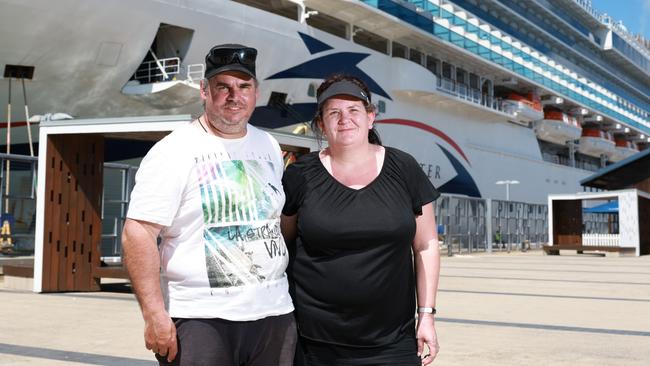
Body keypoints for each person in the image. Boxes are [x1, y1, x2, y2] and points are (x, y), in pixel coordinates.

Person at [122, 44, 296, 365]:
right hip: (200, 318)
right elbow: (138, 233)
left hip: (273, 314)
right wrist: (154, 315)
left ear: (256, 92)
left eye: (244, 86)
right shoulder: (174, 150)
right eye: (223, 87)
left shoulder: (268, 145)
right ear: (204, 91)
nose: (235, 96)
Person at [281, 74, 441, 365]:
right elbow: (284, 242)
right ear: (321, 124)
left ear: (370, 118)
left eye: (354, 110)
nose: (345, 119)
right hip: (315, 342)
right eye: (334, 112)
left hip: (393, 341)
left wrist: (426, 316)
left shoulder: (404, 168)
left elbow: (426, 245)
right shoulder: (299, 174)